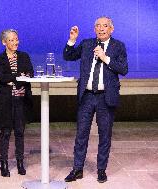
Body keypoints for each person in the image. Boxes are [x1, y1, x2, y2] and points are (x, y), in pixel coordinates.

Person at [63, 16, 128, 183]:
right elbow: (68, 56)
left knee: (104, 135)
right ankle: (77, 169)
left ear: (111, 29)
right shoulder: (86, 44)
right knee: (81, 134)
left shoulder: (118, 46)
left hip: (106, 97)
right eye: (98, 26)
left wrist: (105, 58)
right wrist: (72, 40)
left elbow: (124, 69)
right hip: (87, 96)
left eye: (105, 26)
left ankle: (101, 170)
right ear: (94, 29)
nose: (101, 29)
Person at [0, 29, 34, 177]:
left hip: (21, 99)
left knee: (20, 132)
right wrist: (19, 76)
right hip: (5, 100)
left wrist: (14, 78)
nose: (15, 42)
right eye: (11, 40)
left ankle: (20, 162)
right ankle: (3, 163)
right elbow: (2, 77)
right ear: (4, 42)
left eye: (16, 39)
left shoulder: (24, 56)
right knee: (5, 132)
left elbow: (30, 73)